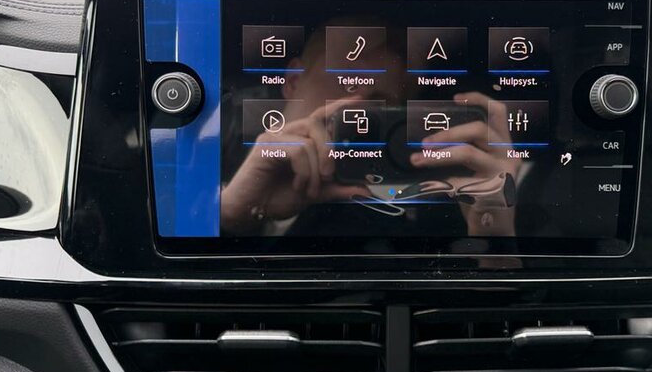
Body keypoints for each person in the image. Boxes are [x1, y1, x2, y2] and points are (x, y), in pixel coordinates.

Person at [220, 24, 521, 240]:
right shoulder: (213, 150)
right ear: (293, 81)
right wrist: (230, 213)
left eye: (379, 104)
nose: (354, 112)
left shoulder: (408, 214)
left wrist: (494, 233)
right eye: (346, 81)